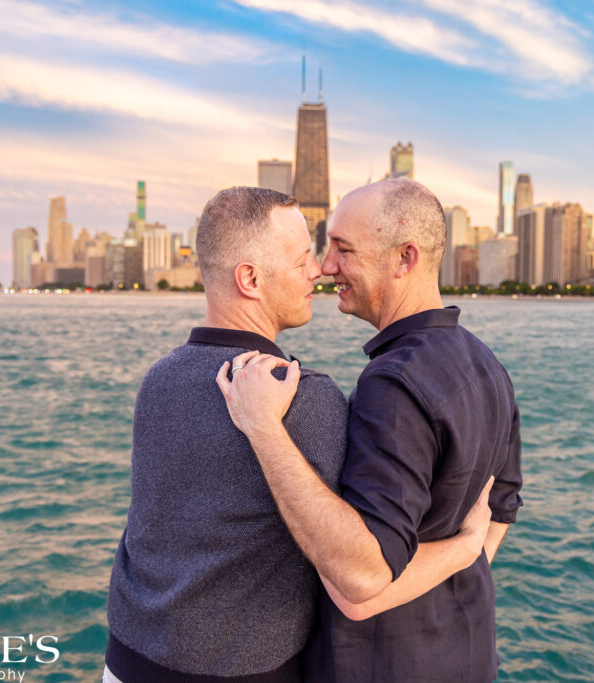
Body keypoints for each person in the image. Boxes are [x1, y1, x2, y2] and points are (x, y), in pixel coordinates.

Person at [104, 186, 494, 683]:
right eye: (302, 258)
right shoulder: (302, 398)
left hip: (126, 659)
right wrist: (465, 548)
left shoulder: (158, 380)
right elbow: (359, 572)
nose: (320, 269)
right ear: (250, 278)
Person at [217, 178, 524, 682]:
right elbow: (500, 511)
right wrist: (459, 554)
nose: (325, 266)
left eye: (343, 248)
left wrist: (264, 428)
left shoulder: (393, 383)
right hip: (470, 658)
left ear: (405, 259)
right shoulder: (486, 364)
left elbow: (360, 585)